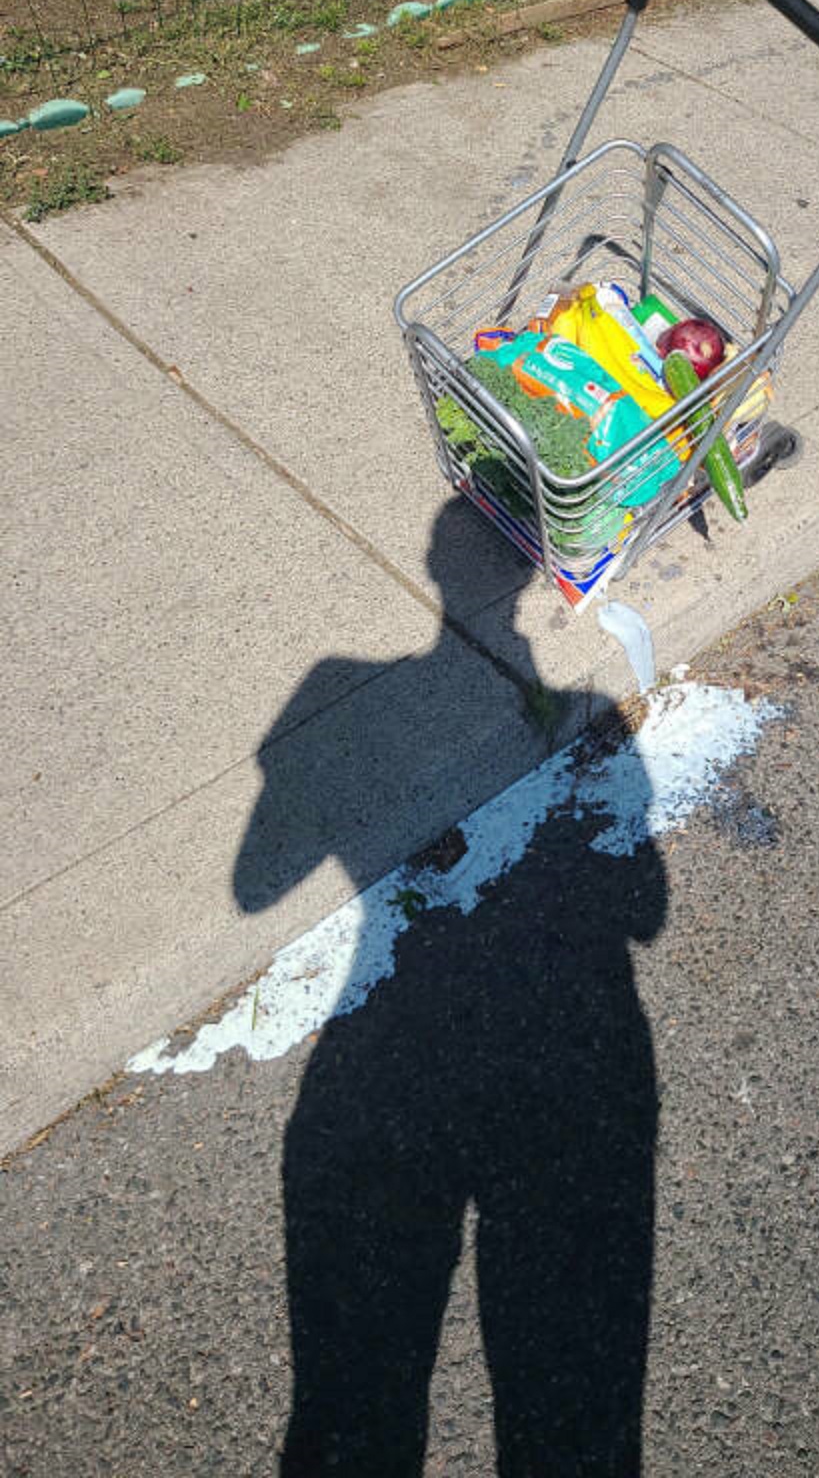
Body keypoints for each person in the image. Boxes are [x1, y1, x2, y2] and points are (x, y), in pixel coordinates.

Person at [234, 501, 668, 1476]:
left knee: (354, 1403)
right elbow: (644, 909)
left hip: (377, 1071)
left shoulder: (341, 683)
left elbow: (254, 883)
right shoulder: (595, 722)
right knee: (574, 1408)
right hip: (578, 1059)